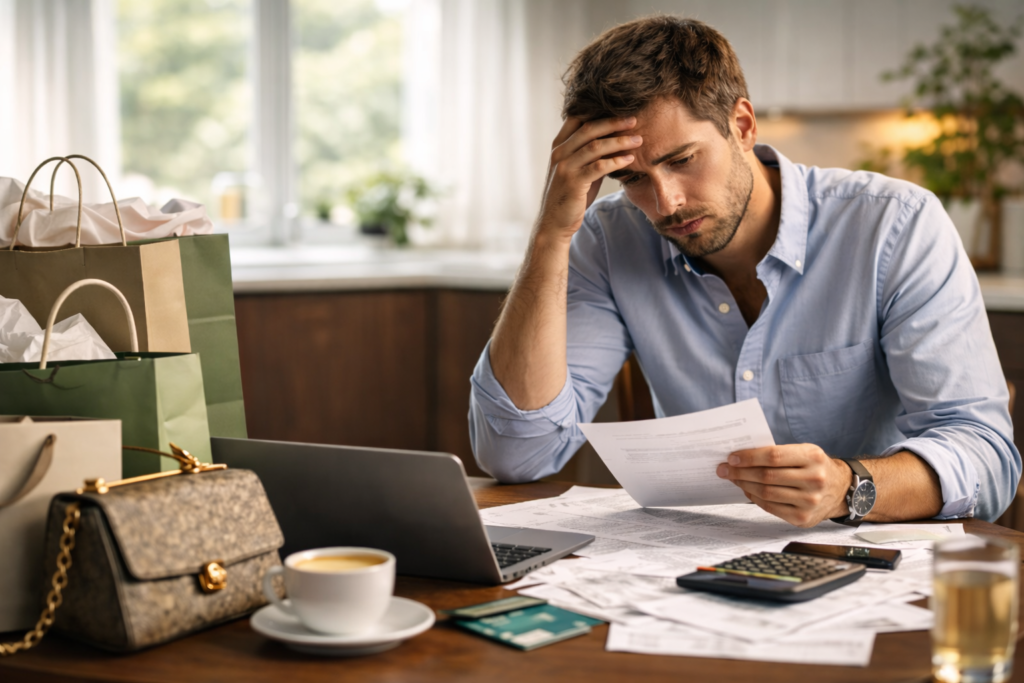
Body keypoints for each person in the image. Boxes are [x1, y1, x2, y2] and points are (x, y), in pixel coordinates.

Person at [468, 15, 1020, 526]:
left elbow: (987, 459)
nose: (666, 203)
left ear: (743, 123)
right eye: (632, 179)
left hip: (870, 561)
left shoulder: (895, 226)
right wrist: (551, 233)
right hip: (687, 569)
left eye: (682, 160)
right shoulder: (609, 240)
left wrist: (849, 486)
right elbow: (519, 454)